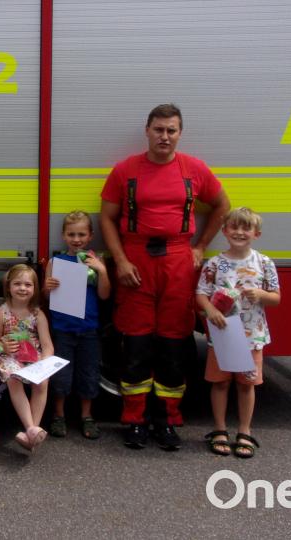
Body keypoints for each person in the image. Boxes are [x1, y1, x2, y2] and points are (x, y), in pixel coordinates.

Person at [99, 103, 230, 450]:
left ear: (179, 133)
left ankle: (167, 421)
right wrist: (122, 261)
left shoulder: (194, 169)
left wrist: (201, 245)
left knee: (174, 346)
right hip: (137, 260)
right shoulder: (126, 170)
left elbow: (222, 206)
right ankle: (134, 421)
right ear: (147, 130)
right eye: (159, 129)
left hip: (177, 260)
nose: (165, 136)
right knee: (137, 346)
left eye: (171, 130)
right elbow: (107, 218)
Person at [196, 207, 280, 459]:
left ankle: (244, 430)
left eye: (246, 228)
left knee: (246, 385)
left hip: (251, 336)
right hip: (222, 334)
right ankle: (220, 429)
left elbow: (276, 298)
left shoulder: (264, 263)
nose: (239, 232)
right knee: (220, 382)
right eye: (234, 227)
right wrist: (210, 310)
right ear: (224, 231)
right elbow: (201, 293)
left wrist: (262, 295)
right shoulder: (215, 263)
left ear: (257, 233)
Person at [43, 210, 112, 439]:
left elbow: (104, 295)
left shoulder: (95, 261)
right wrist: (48, 286)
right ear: (64, 236)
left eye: (82, 234)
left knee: (89, 373)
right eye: (71, 234)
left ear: (90, 236)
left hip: (89, 328)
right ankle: (59, 415)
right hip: (63, 328)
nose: (77, 239)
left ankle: (86, 416)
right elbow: (45, 295)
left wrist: (101, 270)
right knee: (61, 374)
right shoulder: (56, 262)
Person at [0, 264, 54, 452]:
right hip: (9, 357)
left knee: (42, 382)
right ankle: (31, 429)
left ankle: (31, 430)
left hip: (33, 356)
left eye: (28, 284)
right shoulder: (1, 313)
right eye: (17, 284)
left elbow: (47, 345)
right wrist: (2, 345)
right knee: (13, 380)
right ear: (9, 286)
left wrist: (44, 363)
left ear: (34, 288)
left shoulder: (38, 314)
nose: (22, 288)